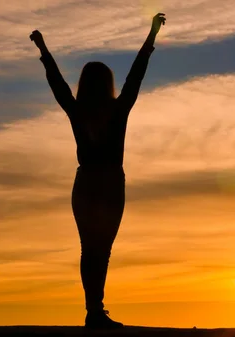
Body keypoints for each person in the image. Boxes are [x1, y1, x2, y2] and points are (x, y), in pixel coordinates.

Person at [30, 13, 166, 329]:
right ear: (108, 84)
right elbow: (136, 76)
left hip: (88, 182)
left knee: (90, 248)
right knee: (100, 251)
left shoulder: (78, 109)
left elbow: (58, 85)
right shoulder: (118, 109)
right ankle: (95, 311)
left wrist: (43, 48)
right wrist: (151, 37)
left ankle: (94, 311)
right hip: (108, 183)